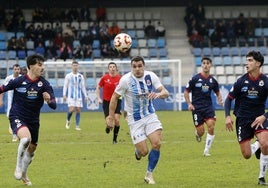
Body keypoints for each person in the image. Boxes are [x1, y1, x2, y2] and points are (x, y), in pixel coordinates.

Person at [106, 56, 169, 184]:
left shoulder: (151, 76)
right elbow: (114, 98)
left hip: (150, 115)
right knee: (144, 151)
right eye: (134, 66)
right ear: (131, 68)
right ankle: (138, 152)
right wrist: (111, 117)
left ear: (144, 66)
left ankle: (149, 174)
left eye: (140, 66)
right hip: (134, 120)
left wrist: (159, 94)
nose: (137, 69)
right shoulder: (125, 80)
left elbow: (165, 92)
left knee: (157, 143)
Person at [0, 54, 56, 186]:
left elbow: (54, 105)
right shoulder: (18, 81)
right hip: (17, 116)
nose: (42, 68)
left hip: (33, 120)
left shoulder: (44, 84)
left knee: (32, 150)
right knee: (25, 139)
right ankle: (18, 167)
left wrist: (48, 100)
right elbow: (2, 88)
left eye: (43, 65)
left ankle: (24, 173)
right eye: (40, 65)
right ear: (31, 66)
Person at [224, 50, 268, 185]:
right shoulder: (241, 81)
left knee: (266, 143)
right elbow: (228, 99)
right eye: (247, 60)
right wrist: (227, 117)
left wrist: (264, 116)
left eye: (250, 60)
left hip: (259, 119)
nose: (246, 63)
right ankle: (256, 146)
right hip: (242, 119)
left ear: (258, 64)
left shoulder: (265, 82)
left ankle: (261, 177)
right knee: (247, 155)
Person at [184, 57, 223, 157]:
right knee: (201, 132)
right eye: (204, 63)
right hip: (197, 108)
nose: (206, 65)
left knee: (211, 126)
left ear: (210, 65)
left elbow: (218, 92)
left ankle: (206, 150)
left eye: (208, 63)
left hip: (208, 108)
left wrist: (219, 99)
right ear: (201, 65)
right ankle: (197, 134)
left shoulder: (213, 81)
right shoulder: (195, 78)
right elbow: (186, 91)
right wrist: (189, 104)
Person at [96, 62, 121, 144]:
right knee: (110, 124)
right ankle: (108, 125)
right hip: (107, 102)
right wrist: (99, 98)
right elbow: (98, 87)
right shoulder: (104, 78)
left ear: (116, 68)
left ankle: (114, 139)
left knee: (117, 120)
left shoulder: (120, 79)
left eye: (114, 67)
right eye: (110, 67)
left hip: (117, 101)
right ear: (108, 69)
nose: (112, 68)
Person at [63, 61, 88, 131]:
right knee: (71, 110)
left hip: (79, 96)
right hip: (71, 97)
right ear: (72, 66)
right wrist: (64, 95)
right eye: (74, 65)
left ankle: (77, 126)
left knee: (78, 110)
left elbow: (83, 86)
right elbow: (65, 86)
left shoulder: (81, 76)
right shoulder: (68, 76)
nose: (75, 67)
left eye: (76, 65)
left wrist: (85, 96)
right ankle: (68, 121)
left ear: (78, 66)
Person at [0, 64, 21, 142]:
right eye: (15, 69)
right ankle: (14, 134)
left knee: (20, 118)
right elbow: (2, 90)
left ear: (20, 70)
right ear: (13, 70)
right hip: (10, 102)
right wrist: (1, 100)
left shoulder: (22, 78)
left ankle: (17, 134)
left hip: (20, 103)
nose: (17, 71)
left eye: (18, 69)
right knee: (11, 118)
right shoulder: (8, 78)